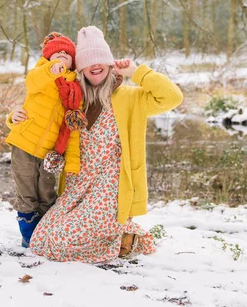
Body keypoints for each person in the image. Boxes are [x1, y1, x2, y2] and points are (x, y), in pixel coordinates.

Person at [19, 26, 183, 263]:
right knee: (41, 240)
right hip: (78, 184)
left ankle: (125, 238)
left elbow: (172, 97)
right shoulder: (72, 98)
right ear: (81, 68)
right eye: (88, 62)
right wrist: (13, 116)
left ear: (108, 63)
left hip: (110, 186)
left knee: (61, 241)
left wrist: (136, 71)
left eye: (100, 60)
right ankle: (121, 234)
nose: (95, 66)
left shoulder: (129, 98)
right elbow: (38, 105)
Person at [5, 32, 84, 248]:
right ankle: (29, 237)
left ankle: (45, 235)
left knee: (47, 195)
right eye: (57, 53)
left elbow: (74, 128)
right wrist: (50, 70)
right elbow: (33, 81)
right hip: (24, 145)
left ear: (73, 62)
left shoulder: (75, 90)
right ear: (48, 58)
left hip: (52, 153)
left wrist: (73, 163)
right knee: (26, 193)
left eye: (66, 54)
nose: (61, 56)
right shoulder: (39, 75)